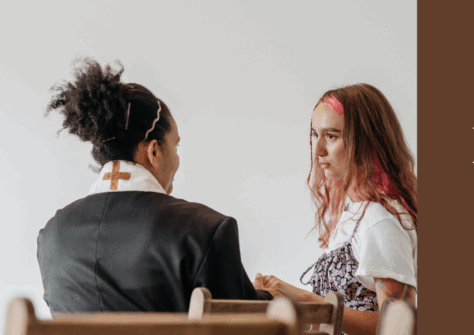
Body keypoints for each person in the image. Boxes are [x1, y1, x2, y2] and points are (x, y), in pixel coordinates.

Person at [37, 59, 271, 313]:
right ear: (154, 151)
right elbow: (245, 324)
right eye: (175, 145)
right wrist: (271, 296)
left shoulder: (52, 237)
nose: (178, 157)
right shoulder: (203, 231)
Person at [256, 84, 417, 335]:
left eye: (331, 136)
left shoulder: (379, 220)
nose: (318, 151)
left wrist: (310, 302)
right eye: (315, 135)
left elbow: (401, 328)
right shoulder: (354, 213)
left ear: (365, 142)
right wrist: (288, 292)